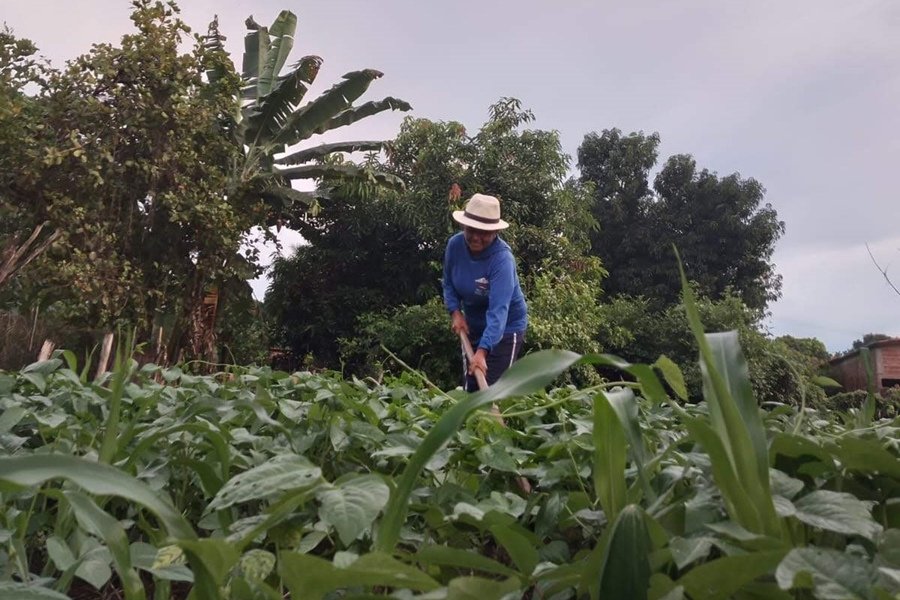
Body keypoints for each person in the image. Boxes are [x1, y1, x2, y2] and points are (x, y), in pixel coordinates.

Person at [442, 193, 528, 391]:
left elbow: (499, 312)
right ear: (464, 226)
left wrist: (482, 351)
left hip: (506, 328)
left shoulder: (502, 261)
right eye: (472, 230)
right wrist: (455, 312)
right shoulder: (455, 246)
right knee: (471, 387)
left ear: (495, 232)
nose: (476, 237)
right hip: (473, 325)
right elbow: (448, 283)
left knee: (491, 390)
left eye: (484, 232)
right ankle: (471, 421)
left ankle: (494, 421)